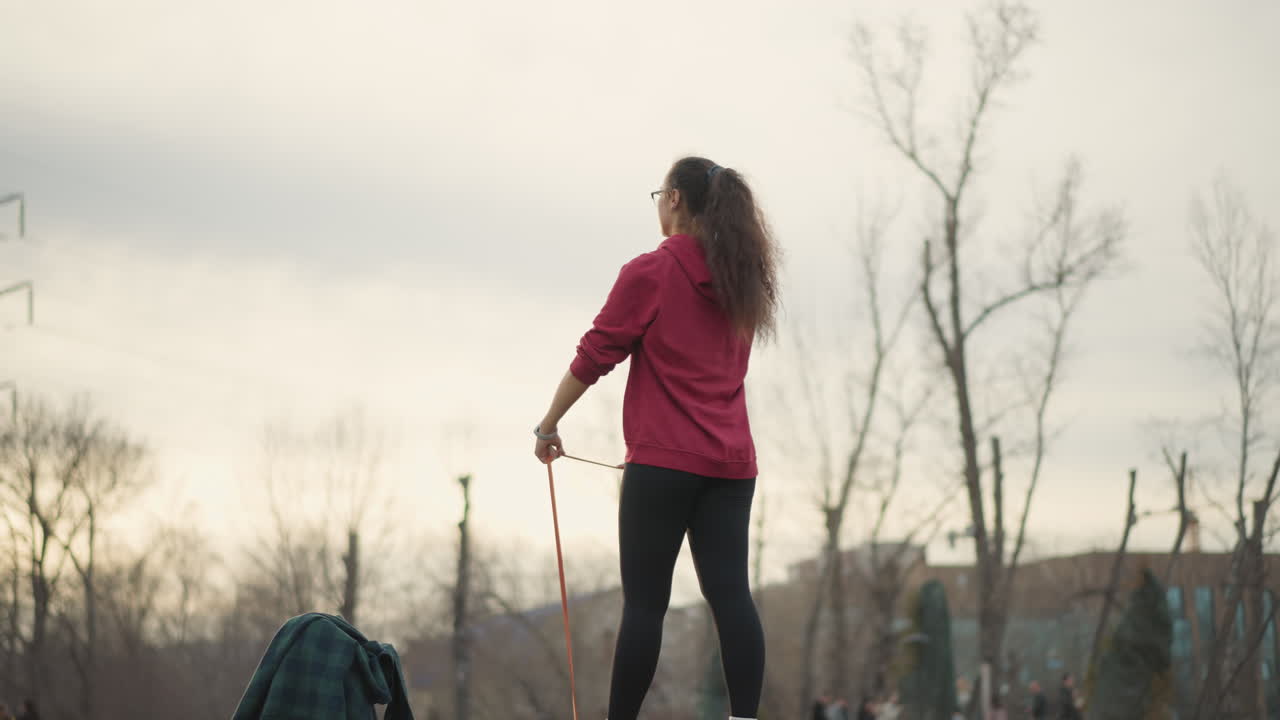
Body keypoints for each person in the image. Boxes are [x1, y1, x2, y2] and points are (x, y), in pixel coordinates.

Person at [534, 157, 780, 720]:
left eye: (658, 195)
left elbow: (596, 353)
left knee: (645, 605)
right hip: (732, 465)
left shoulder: (652, 271)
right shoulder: (741, 279)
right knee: (732, 597)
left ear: (673, 199)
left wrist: (549, 425)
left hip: (664, 466)